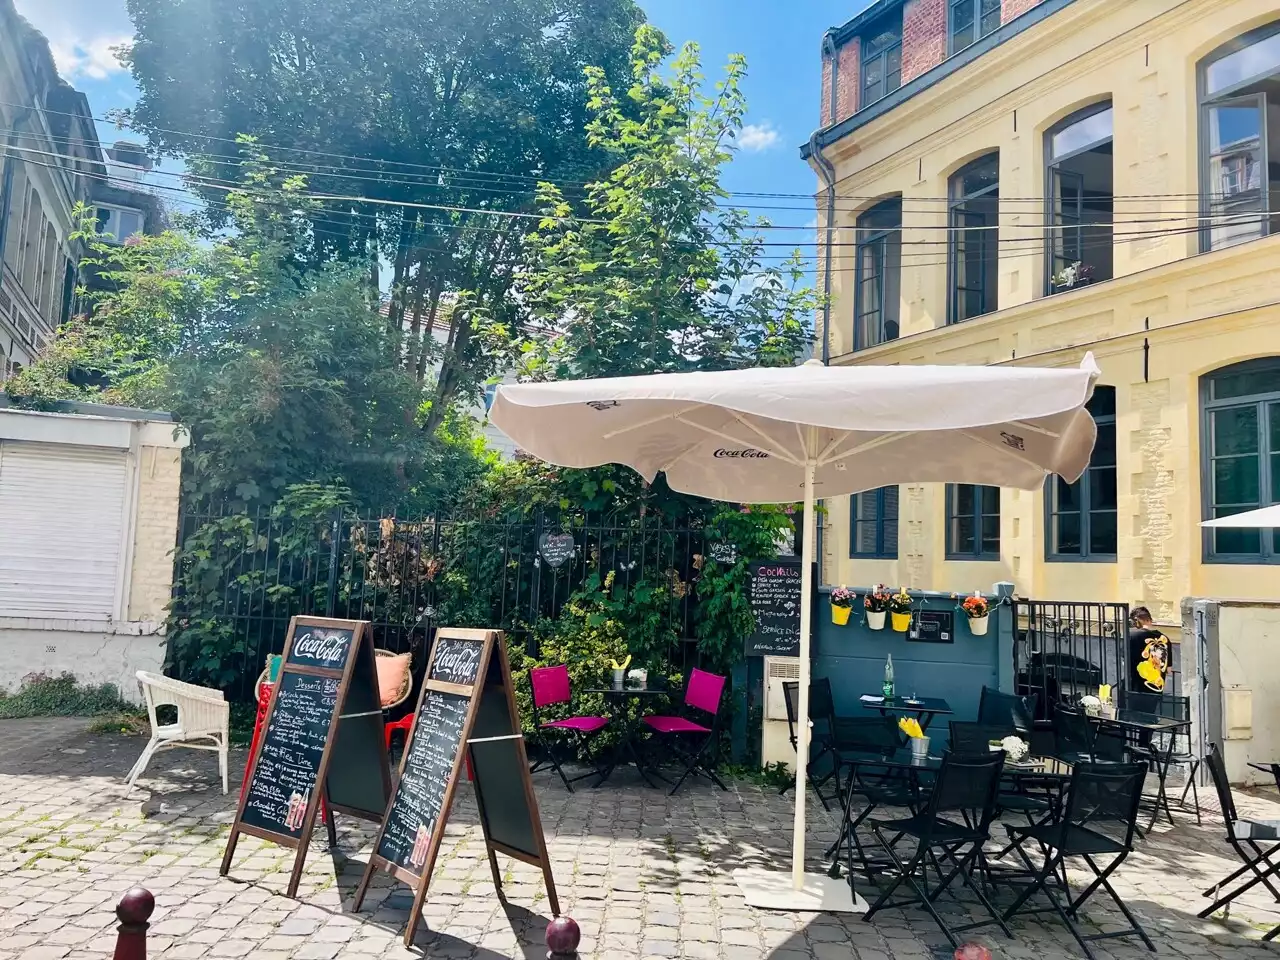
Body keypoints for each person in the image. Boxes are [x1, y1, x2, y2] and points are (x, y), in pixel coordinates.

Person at [1127, 606, 1169, 693]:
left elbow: (1125, 663)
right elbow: (1168, 669)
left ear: (1134, 621)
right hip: (1155, 689)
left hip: (1134, 689)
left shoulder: (1130, 636)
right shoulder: (1164, 639)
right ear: (1150, 620)